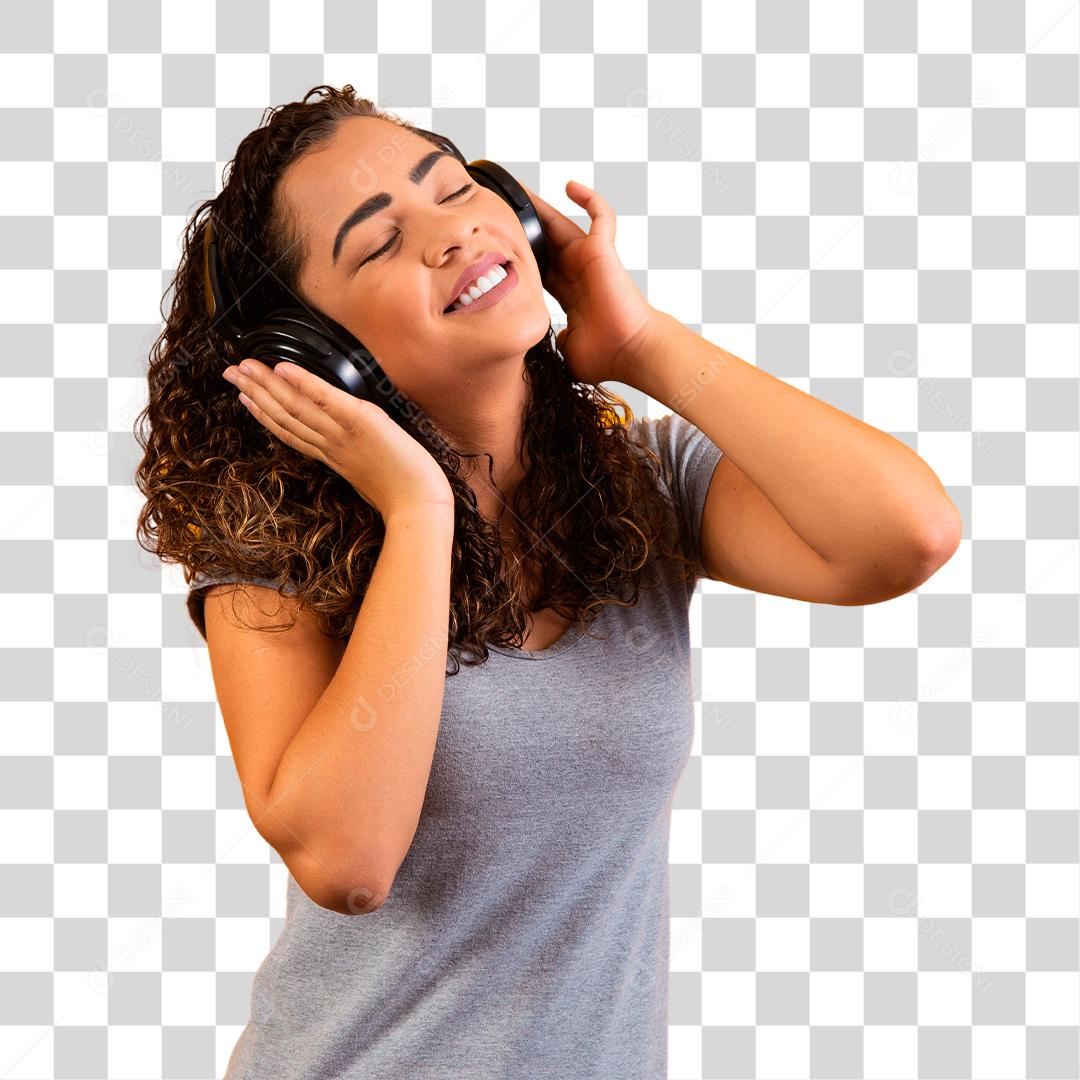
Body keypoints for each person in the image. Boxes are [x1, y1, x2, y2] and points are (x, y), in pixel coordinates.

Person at [134, 84, 724, 1078]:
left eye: (453, 190)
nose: (451, 235)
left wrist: (640, 344)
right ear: (318, 354)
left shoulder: (643, 486)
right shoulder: (268, 557)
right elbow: (348, 864)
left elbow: (906, 538)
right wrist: (419, 510)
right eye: (379, 243)